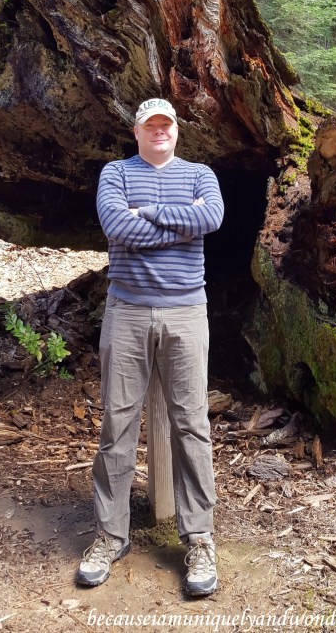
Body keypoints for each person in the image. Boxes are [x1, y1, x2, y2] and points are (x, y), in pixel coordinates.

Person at [77, 97, 224, 596]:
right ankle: (110, 534)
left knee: (192, 424)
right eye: (150, 125)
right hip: (128, 311)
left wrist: (154, 213)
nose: (159, 131)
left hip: (186, 311)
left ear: (176, 131)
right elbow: (116, 226)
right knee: (117, 423)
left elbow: (214, 219)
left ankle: (199, 539)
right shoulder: (115, 174)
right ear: (136, 131)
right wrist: (182, 221)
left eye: (167, 124)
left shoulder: (202, 174)